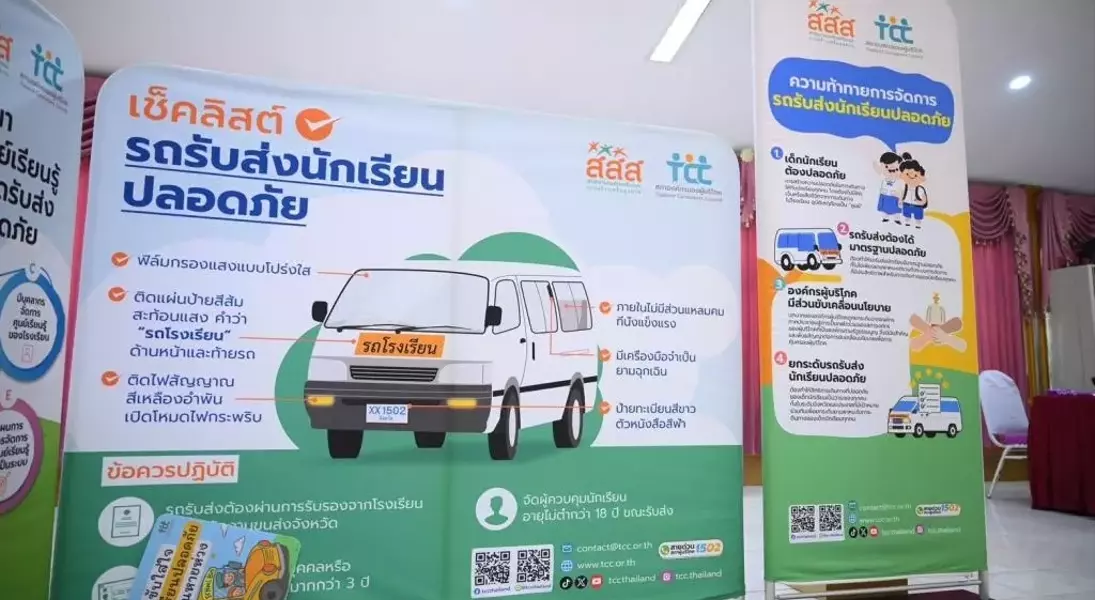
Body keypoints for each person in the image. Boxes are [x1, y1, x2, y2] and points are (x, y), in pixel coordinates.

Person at [874, 151, 907, 223]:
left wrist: (901, 198)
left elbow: (902, 191)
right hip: (885, 195)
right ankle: (885, 218)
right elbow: (878, 169)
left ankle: (897, 219)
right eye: (887, 167)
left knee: (896, 209)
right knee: (885, 208)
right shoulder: (884, 178)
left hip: (895, 197)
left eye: (896, 169)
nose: (892, 171)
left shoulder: (899, 181)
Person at [899, 158, 928, 228]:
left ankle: (918, 225)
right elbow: (902, 195)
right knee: (907, 216)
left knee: (918, 217)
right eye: (907, 174)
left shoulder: (920, 189)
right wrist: (900, 201)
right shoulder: (905, 187)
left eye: (915, 175)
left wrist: (921, 202)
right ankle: (907, 224)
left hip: (917, 206)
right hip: (907, 204)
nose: (911, 177)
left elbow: (924, 199)